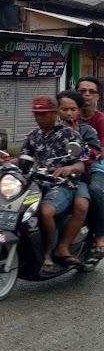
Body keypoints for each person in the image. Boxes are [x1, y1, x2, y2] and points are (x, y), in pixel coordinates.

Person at [18, 96, 87, 275]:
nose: (39, 118)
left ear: (54, 113)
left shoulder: (70, 134)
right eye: (36, 115)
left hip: (63, 185)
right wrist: (4, 162)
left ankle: (48, 254)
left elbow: (81, 165)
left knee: (46, 211)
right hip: (37, 182)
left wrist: (69, 168)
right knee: (15, 207)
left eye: (43, 114)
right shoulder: (33, 135)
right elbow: (25, 159)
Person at [54, 90, 101, 263]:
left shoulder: (87, 131)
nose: (68, 113)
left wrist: (77, 137)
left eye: (73, 109)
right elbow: (32, 152)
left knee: (81, 205)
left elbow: (94, 154)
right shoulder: (49, 130)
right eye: (64, 109)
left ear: (79, 111)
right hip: (48, 178)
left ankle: (63, 247)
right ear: (56, 110)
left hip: (78, 179)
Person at [75, 76, 104, 258]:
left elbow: (101, 150)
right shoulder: (69, 115)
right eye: (82, 91)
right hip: (71, 164)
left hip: (97, 166)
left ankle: (100, 234)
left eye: (91, 92)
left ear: (98, 96)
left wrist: (91, 156)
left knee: (94, 189)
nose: (86, 95)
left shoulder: (101, 120)